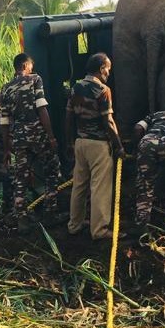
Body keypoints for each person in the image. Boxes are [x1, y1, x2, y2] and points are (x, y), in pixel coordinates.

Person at [0, 53, 63, 235]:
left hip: (18, 137)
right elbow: (41, 108)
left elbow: (4, 120)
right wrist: (50, 136)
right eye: (31, 67)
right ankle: (50, 212)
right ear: (26, 66)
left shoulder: (6, 88)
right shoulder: (35, 79)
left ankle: (21, 217)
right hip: (37, 134)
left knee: (21, 176)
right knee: (51, 171)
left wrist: (6, 148)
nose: (32, 69)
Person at [65, 53, 126, 240]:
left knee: (79, 185)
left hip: (80, 143)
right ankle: (99, 230)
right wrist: (119, 146)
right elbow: (108, 121)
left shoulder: (75, 88)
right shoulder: (102, 90)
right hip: (98, 145)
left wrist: (69, 143)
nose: (109, 72)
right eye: (108, 68)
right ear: (101, 69)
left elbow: (68, 118)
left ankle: (74, 224)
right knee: (100, 187)